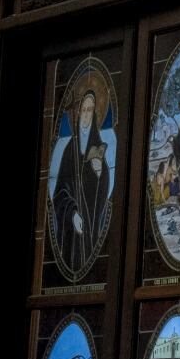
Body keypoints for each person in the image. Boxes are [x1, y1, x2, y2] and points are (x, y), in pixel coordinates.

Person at [53, 87, 111, 277]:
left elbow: (104, 187)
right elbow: (59, 192)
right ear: (79, 113)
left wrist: (99, 172)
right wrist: (72, 213)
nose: (86, 115)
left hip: (92, 225)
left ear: (95, 114)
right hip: (73, 228)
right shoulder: (70, 150)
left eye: (90, 110)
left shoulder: (97, 144)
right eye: (84, 110)